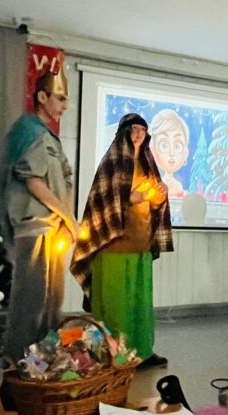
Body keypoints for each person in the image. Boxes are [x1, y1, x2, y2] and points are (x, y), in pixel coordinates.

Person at [71, 113, 173, 368]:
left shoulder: (148, 164)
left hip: (140, 246)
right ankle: (112, 355)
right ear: (123, 133)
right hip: (113, 247)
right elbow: (103, 200)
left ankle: (142, 352)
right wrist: (131, 197)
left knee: (140, 304)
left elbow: (154, 203)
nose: (138, 134)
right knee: (116, 306)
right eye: (133, 129)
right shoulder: (112, 161)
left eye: (142, 130)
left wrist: (160, 195)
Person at [1, 69, 76, 361]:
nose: (64, 105)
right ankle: (19, 364)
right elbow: (33, 181)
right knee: (31, 300)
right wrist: (67, 217)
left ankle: (45, 362)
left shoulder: (52, 138)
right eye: (60, 98)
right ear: (42, 97)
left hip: (54, 228)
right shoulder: (27, 130)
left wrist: (67, 220)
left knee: (53, 301)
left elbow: (66, 180)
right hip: (34, 226)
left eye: (66, 99)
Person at [149, 109, 190, 197]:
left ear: (186, 152)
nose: (171, 153)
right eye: (164, 145)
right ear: (153, 149)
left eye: (177, 146)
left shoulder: (179, 188)